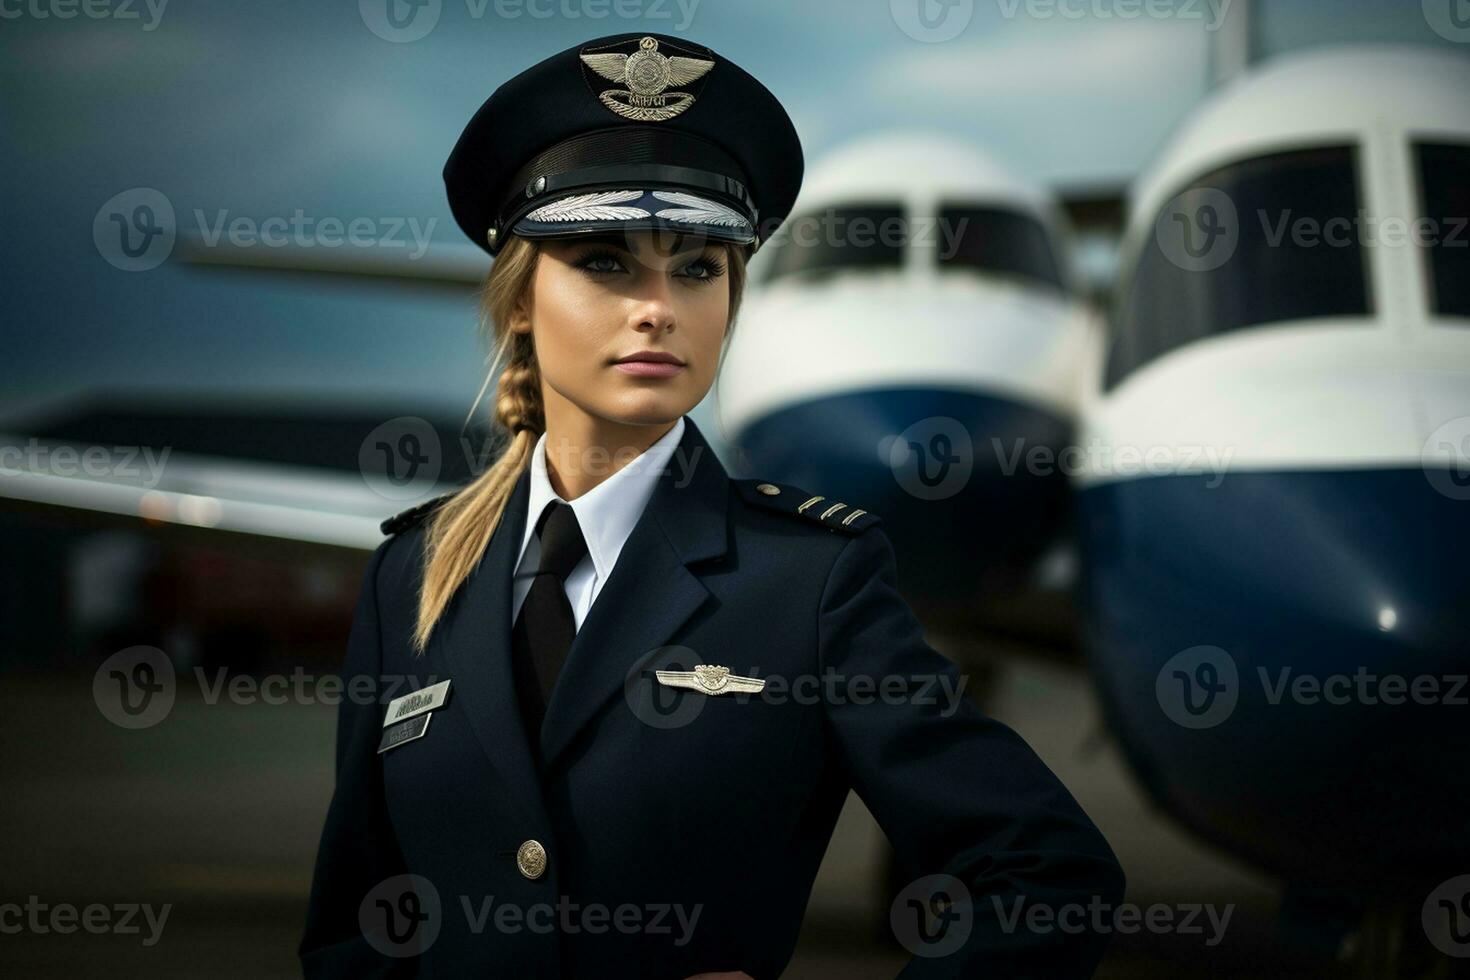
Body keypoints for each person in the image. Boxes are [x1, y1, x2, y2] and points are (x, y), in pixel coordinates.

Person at [299, 30, 1125, 980]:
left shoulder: (811, 584)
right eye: (605, 262)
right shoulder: (410, 577)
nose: (657, 307)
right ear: (521, 300)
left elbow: (1049, 873)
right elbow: (356, 926)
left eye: (697, 267)